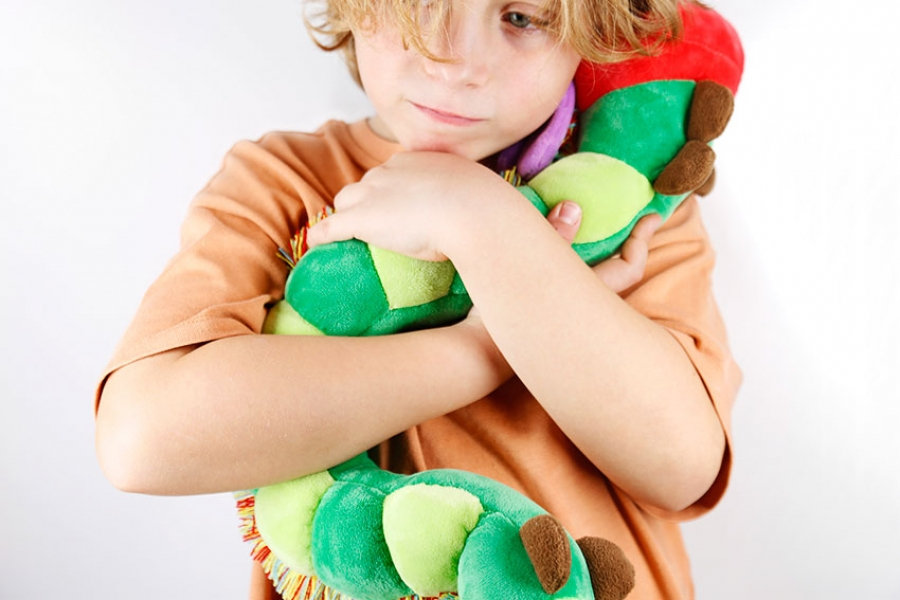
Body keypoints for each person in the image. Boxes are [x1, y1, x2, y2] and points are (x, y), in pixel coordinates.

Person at [94, 0, 742, 598]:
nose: (456, 63)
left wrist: (482, 219)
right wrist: (481, 348)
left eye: (521, 17)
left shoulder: (625, 202)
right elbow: (142, 440)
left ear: (596, 29)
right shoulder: (280, 181)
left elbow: (680, 467)